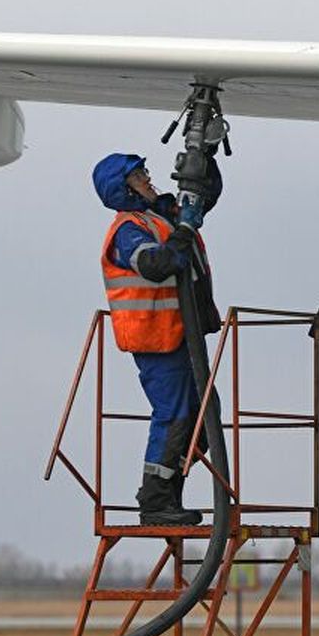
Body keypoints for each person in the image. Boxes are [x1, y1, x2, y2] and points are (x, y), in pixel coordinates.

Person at [92, 152, 230, 526]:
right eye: (140, 177)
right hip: (157, 340)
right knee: (175, 415)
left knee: (206, 417)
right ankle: (154, 502)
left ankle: (170, 493)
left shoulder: (161, 216)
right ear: (123, 189)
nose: (149, 180)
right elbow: (156, 265)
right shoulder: (128, 230)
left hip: (182, 335)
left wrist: (206, 159)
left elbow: (206, 197)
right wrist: (183, 234)